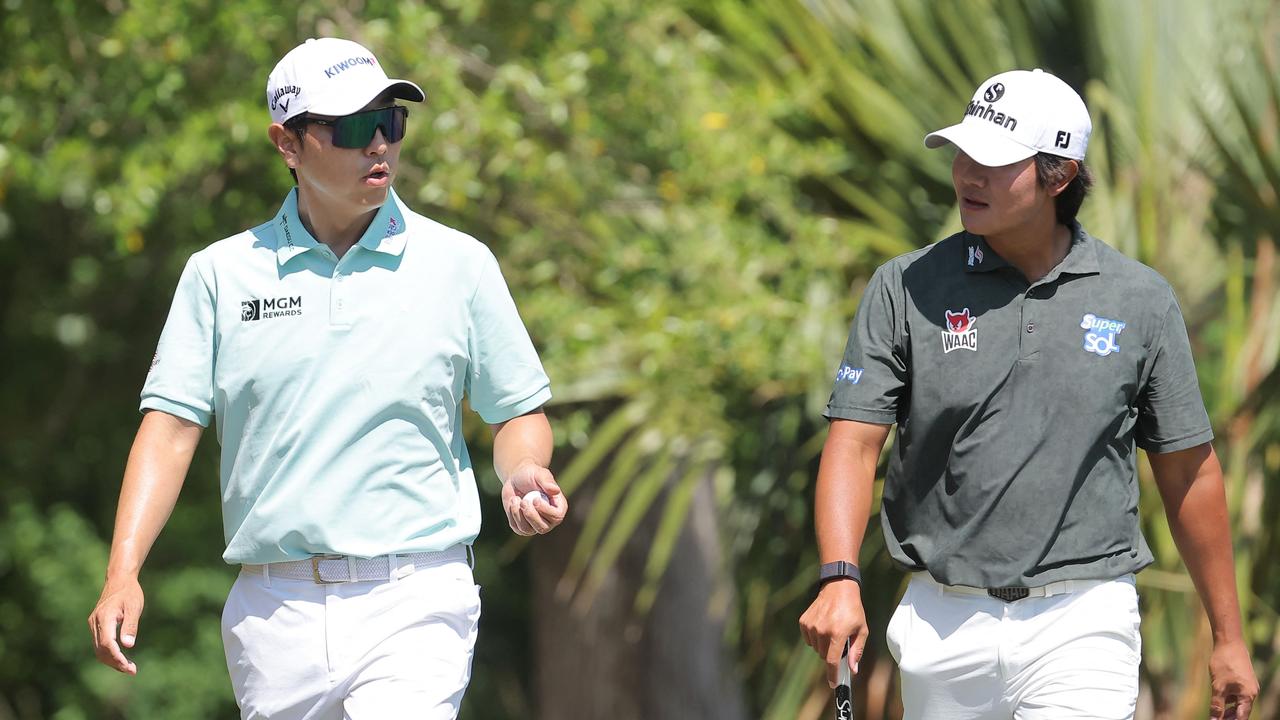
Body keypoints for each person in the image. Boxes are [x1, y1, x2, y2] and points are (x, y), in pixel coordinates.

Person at [88, 37, 567, 719]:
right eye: (349, 127)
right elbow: (168, 433)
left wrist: (522, 471)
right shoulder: (220, 275)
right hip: (273, 610)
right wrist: (122, 573)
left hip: (417, 593)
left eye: (390, 120)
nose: (378, 143)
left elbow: (517, 410)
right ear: (288, 143)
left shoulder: (460, 264)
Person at [799, 69, 1258, 719]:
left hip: (1083, 618)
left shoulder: (1138, 299)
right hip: (941, 623)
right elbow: (853, 444)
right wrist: (839, 577)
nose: (967, 174)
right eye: (962, 153)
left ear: (1059, 175)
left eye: (992, 160)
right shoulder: (904, 287)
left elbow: (1188, 469)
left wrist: (1229, 637)